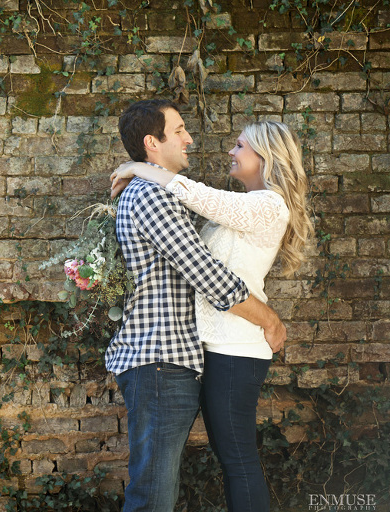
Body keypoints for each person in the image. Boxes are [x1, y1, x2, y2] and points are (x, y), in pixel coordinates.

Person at [110, 118, 313, 512]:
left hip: (236, 347)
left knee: (237, 461)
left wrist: (138, 167)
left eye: (240, 146)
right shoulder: (246, 207)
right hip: (217, 346)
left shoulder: (268, 205)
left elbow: (199, 196)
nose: (231, 152)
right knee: (231, 458)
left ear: (265, 157)